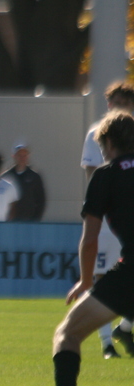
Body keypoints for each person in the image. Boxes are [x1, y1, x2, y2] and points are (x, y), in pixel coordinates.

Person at [35, 110, 134, 386]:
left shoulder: (105, 175)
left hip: (130, 274)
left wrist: (85, 281)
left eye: (102, 143)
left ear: (109, 142)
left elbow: (90, 240)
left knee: (67, 333)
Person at [80, 81, 134, 359]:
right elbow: (94, 174)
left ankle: (124, 327)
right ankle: (106, 343)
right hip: (108, 217)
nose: (122, 106)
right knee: (102, 274)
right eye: (118, 101)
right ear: (109, 104)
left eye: (127, 101)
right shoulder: (96, 134)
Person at [2, 143, 46, 221]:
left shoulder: (34, 176)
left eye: (25, 155)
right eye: (20, 155)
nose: (22, 158)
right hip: (10, 221)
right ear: (14, 156)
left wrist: (36, 218)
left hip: (29, 220)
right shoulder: (6, 176)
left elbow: (41, 200)